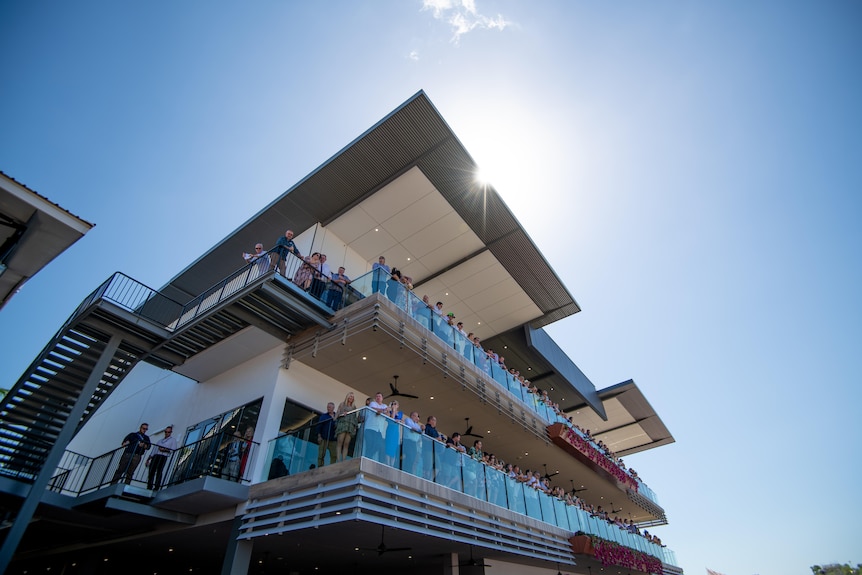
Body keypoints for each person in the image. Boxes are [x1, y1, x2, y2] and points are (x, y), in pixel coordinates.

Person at [145, 424, 177, 490]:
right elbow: (154, 451)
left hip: (163, 457)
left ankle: (156, 487)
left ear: (171, 432)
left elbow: (173, 450)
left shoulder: (172, 440)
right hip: (155, 456)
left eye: (168, 432)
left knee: (159, 471)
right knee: (151, 471)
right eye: (166, 432)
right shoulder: (159, 441)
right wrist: (148, 459)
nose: (167, 433)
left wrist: (164, 450)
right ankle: (149, 486)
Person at [364, 392, 389, 461]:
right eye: (377, 396)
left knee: (378, 445)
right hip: (370, 428)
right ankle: (367, 460)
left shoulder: (384, 405)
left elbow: (388, 415)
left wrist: (383, 411)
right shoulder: (373, 403)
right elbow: (374, 409)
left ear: (382, 398)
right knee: (369, 445)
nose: (378, 397)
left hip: (379, 430)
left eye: (379, 396)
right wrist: (384, 410)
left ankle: (368, 458)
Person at [334, 392, 358, 462]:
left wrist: (355, 427)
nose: (351, 398)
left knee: (346, 443)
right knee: (340, 442)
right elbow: (337, 414)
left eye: (352, 397)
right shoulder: (342, 404)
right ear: (347, 397)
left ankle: (344, 459)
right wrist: (341, 414)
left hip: (350, 426)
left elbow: (355, 418)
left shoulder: (354, 407)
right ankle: (338, 460)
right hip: (342, 424)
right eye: (350, 396)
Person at [401, 410, 423, 476]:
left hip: (414, 443)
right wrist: (418, 430)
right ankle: (405, 470)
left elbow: (420, 431)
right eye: (416, 416)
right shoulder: (408, 420)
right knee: (408, 456)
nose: (417, 418)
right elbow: (412, 428)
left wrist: (418, 430)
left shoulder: (417, 425)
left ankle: (409, 472)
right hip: (408, 441)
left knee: (413, 458)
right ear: (412, 416)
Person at [316, 402, 338, 467]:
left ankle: (332, 467)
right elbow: (319, 426)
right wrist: (319, 436)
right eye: (327, 407)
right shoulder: (323, 416)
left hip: (333, 439)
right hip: (324, 438)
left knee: (334, 455)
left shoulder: (337, 416)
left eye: (329, 407)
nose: (328, 408)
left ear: (333, 408)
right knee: (321, 454)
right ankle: (320, 466)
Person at [384, 400, 402, 466]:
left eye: (395, 404)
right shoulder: (389, 412)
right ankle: (388, 463)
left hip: (396, 431)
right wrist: (393, 410)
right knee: (388, 445)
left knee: (394, 446)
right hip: (390, 429)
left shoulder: (400, 413)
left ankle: (392, 464)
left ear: (398, 405)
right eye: (392, 404)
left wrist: (399, 420)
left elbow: (401, 420)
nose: (394, 405)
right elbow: (392, 418)